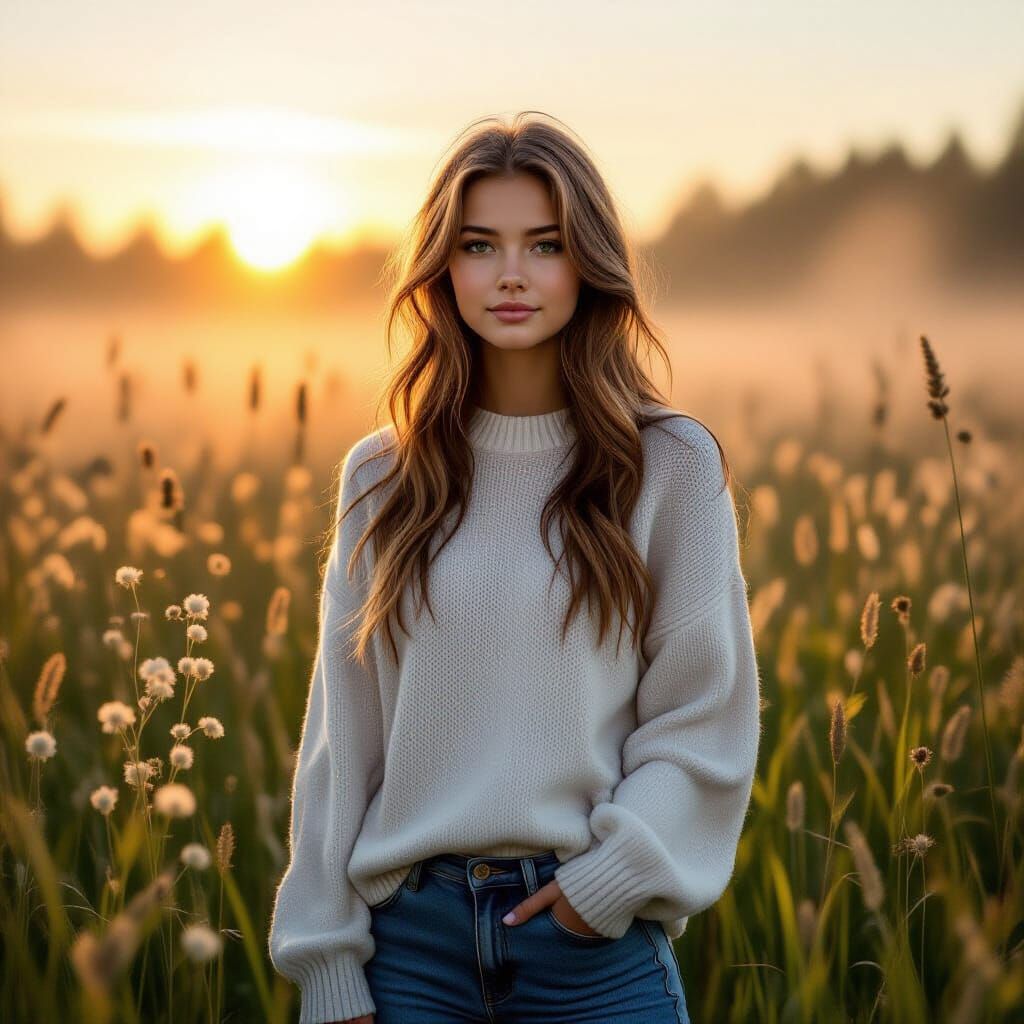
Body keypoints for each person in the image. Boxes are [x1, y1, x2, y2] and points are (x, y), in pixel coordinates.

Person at [267, 111, 762, 1024]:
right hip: (409, 952)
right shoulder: (382, 475)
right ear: (442, 268)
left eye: (545, 244)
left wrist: (604, 886)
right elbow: (343, 741)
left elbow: (705, 718)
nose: (510, 274)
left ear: (589, 262)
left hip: (592, 952)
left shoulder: (670, 466)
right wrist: (327, 964)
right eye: (478, 245)